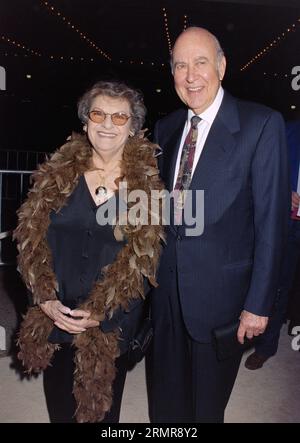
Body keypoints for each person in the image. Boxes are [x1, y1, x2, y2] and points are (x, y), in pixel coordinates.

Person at [145, 26, 290, 423]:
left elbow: (271, 225)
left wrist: (258, 305)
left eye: (200, 63)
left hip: (222, 301)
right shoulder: (167, 128)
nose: (190, 75)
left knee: (205, 410)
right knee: (165, 403)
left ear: (222, 67)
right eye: (180, 65)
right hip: (166, 295)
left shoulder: (261, 125)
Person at [14, 80, 164, 423]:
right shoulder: (56, 175)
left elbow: (143, 262)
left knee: (102, 415)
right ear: (86, 122)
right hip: (57, 316)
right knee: (61, 411)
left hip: (111, 325)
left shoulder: (147, 187)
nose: (108, 124)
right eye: (98, 114)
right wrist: (44, 299)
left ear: (134, 128)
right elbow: (30, 241)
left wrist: (104, 314)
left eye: (120, 117)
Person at [245, 118, 300, 370]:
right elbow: (262, 168)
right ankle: (266, 346)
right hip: (289, 224)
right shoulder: (286, 130)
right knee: (278, 286)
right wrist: (283, 189)